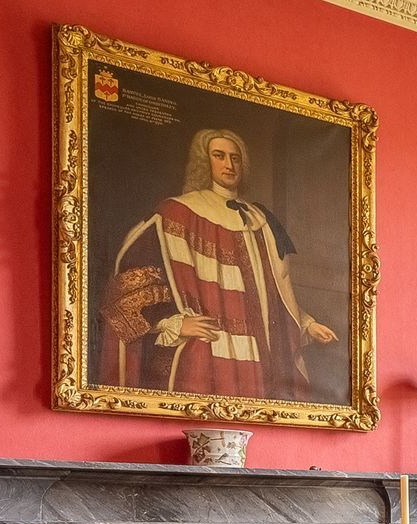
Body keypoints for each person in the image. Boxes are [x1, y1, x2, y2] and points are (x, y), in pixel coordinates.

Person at [99, 128, 338, 401]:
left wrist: (307, 324)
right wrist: (171, 323)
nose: (229, 164)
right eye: (219, 155)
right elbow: (127, 290)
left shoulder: (260, 219)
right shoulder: (177, 212)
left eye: (235, 158)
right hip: (205, 356)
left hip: (262, 357)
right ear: (205, 160)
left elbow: (274, 291)